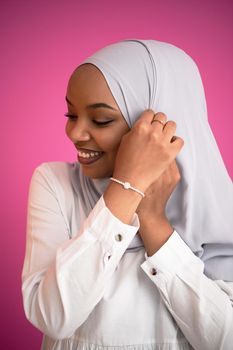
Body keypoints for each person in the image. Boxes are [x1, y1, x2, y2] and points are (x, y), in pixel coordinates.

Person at [21, 39, 233, 350]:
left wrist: (153, 220)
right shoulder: (55, 184)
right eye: (70, 115)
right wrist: (127, 186)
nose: (75, 133)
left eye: (101, 119)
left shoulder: (218, 211)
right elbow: (53, 317)